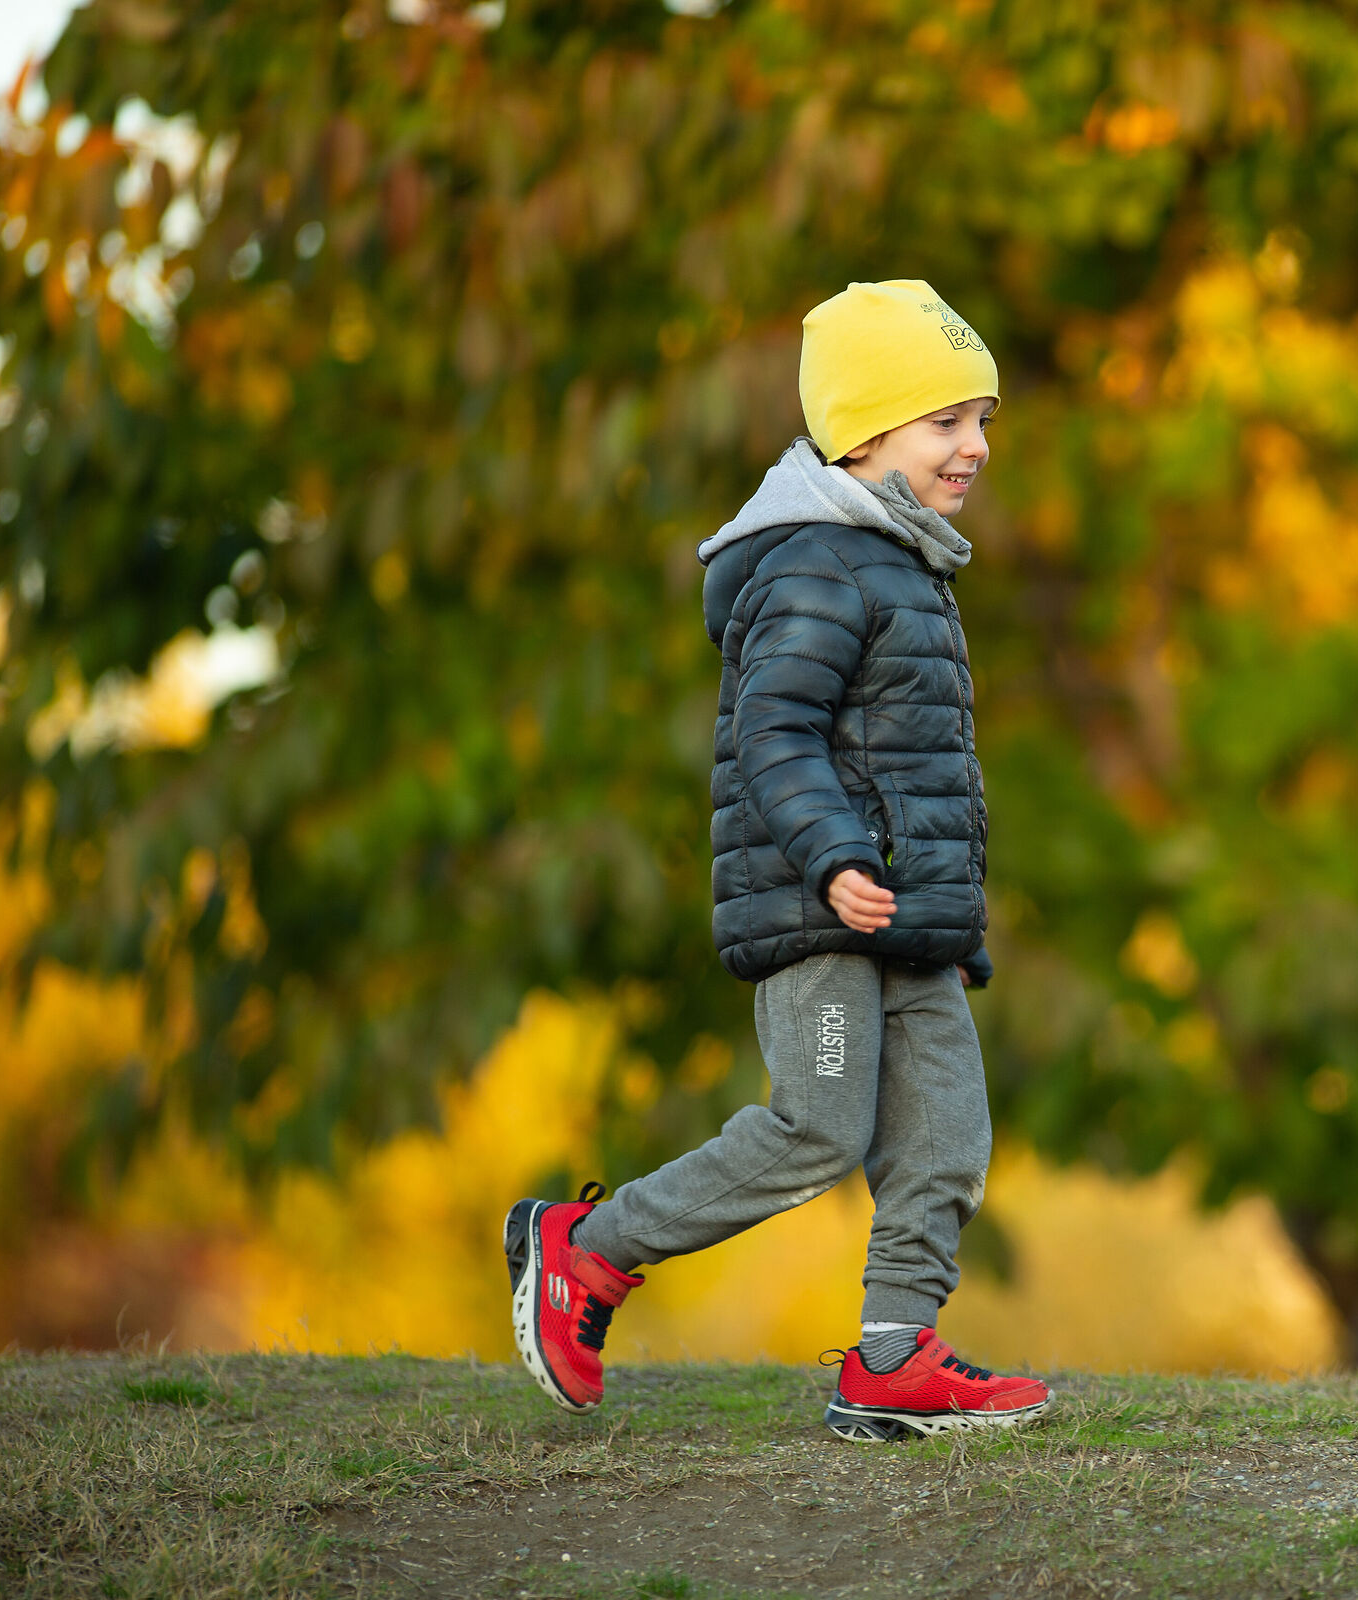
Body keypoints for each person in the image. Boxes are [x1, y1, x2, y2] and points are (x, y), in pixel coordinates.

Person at [502, 280, 1049, 1441]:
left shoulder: (908, 563)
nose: (976, 446)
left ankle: (896, 1353)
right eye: (947, 420)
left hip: (910, 922)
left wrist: (954, 926)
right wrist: (835, 858)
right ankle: (584, 1253)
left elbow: (932, 775)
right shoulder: (814, 563)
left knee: (947, 1136)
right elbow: (774, 735)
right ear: (862, 433)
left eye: (984, 419)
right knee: (816, 1125)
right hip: (820, 909)